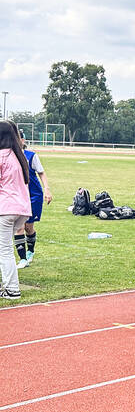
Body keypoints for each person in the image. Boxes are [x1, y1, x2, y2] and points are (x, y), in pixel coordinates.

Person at [0, 121, 32, 300]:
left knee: (4, 249)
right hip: (22, 209)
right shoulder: (18, 156)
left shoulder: (1, 156)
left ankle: (12, 288)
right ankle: (8, 285)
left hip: (6, 208)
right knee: (3, 247)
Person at [14, 130, 53, 269]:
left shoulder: (31, 156)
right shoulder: (9, 156)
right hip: (17, 196)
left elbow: (41, 173)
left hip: (34, 195)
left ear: (23, 141)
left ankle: (30, 251)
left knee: (28, 227)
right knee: (19, 227)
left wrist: (47, 189)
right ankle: (23, 259)